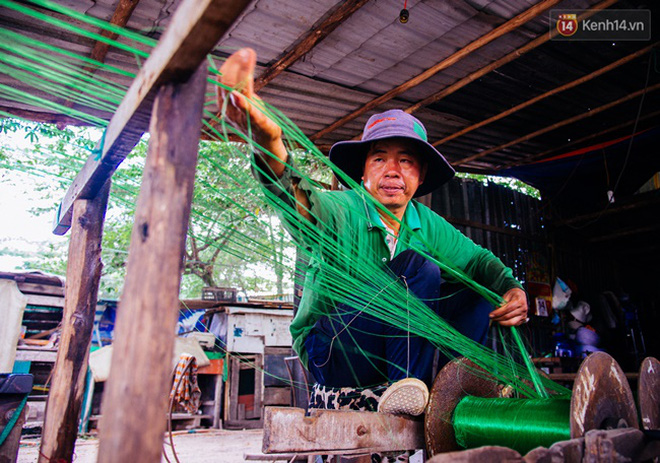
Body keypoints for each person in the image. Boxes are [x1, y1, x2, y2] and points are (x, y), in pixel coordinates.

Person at [218, 48, 528, 415]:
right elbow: (298, 200)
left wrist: (511, 289)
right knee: (418, 269)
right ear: (363, 173)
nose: (393, 171)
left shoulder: (426, 224)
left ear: (420, 176)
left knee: (479, 294)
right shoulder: (343, 209)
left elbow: (479, 261)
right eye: (380, 159)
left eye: (406, 161)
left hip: (388, 352)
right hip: (332, 350)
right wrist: (268, 144)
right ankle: (402, 398)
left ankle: (454, 387)